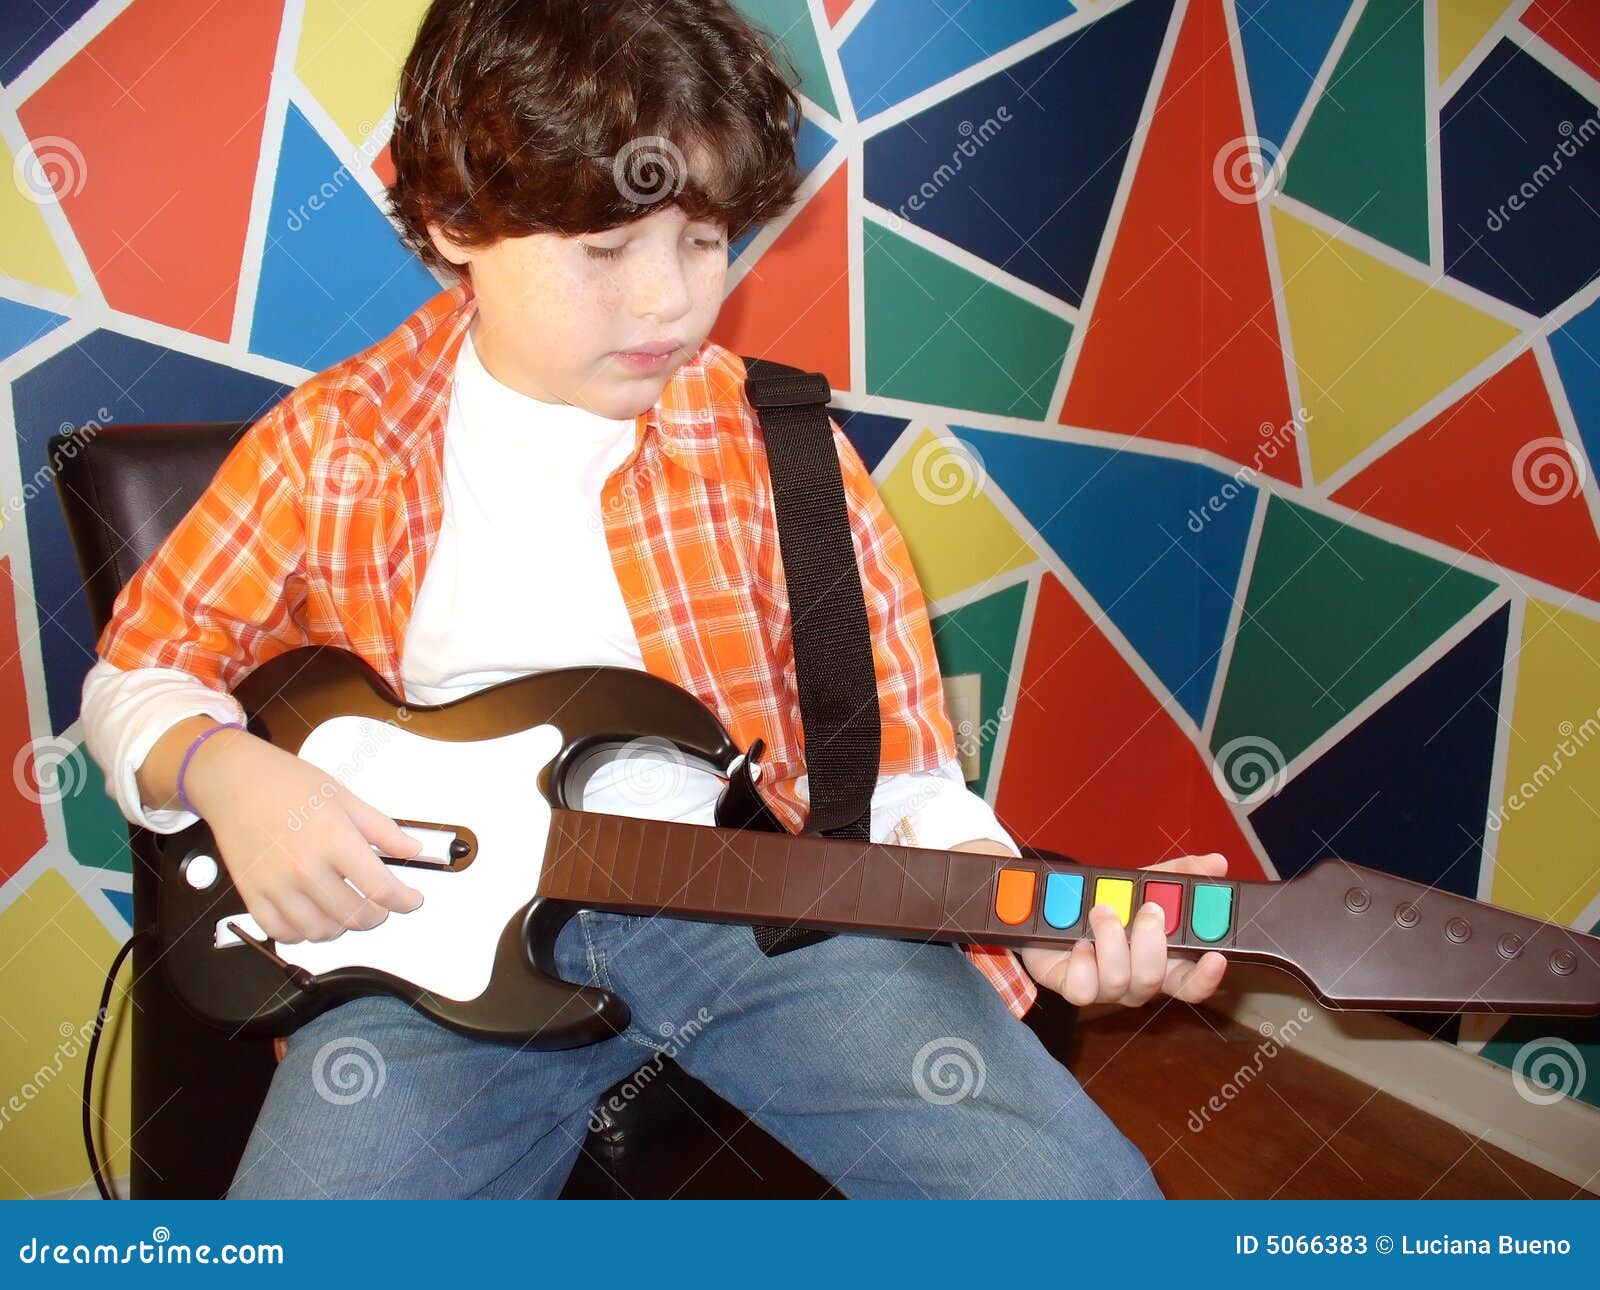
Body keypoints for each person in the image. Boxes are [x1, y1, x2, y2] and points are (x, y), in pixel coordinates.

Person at [80, 0, 1229, 1200]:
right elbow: (140, 670)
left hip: (755, 912)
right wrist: (229, 772)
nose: (670, 305)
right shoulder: (331, 442)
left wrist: (1034, 917)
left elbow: (900, 777)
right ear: (449, 220)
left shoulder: (782, 445)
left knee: (1076, 1209)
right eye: (605, 250)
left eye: (704, 239)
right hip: (430, 947)